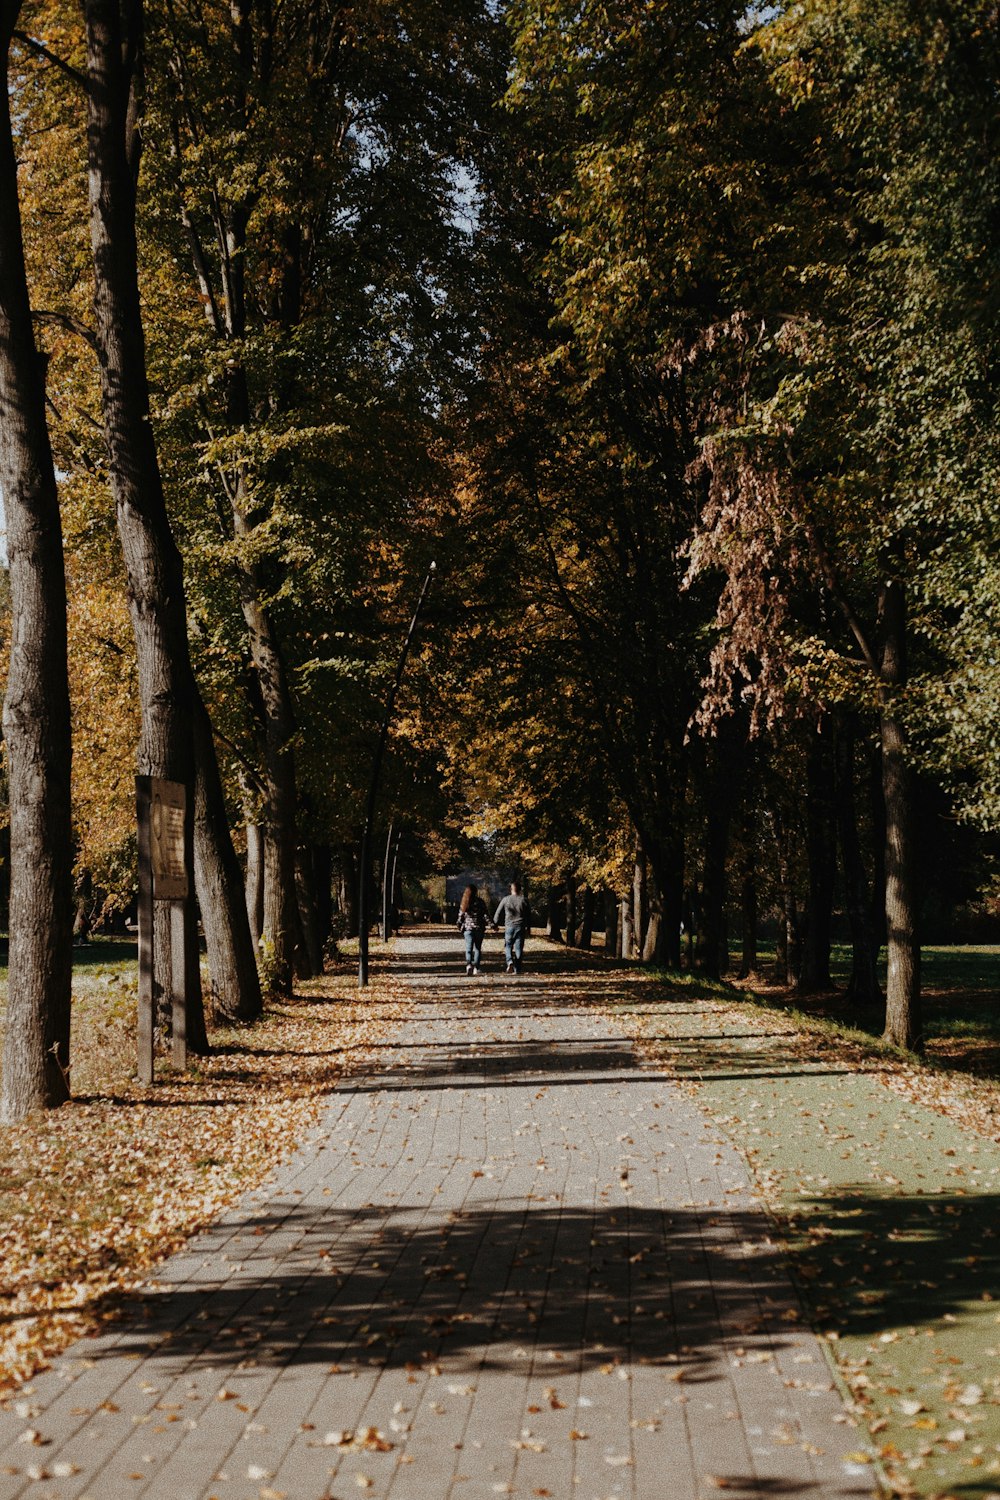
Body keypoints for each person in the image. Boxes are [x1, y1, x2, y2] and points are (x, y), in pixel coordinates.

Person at [493, 880, 532, 974]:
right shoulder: (524, 900)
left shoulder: (506, 899)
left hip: (509, 926)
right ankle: (517, 969)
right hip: (520, 926)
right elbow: (529, 915)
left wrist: (495, 924)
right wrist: (528, 928)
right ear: (520, 890)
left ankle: (509, 961)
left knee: (508, 946)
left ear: (511, 889)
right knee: (519, 948)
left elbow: (498, 912)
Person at [456, 884, 489, 975]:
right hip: (479, 928)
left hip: (468, 929)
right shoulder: (480, 902)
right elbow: (485, 915)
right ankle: (476, 967)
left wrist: (459, 925)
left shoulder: (465, 902)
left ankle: (469, 964)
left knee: (468, 948)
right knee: (478, 948)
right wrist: (492, 924)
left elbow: (461, 916)